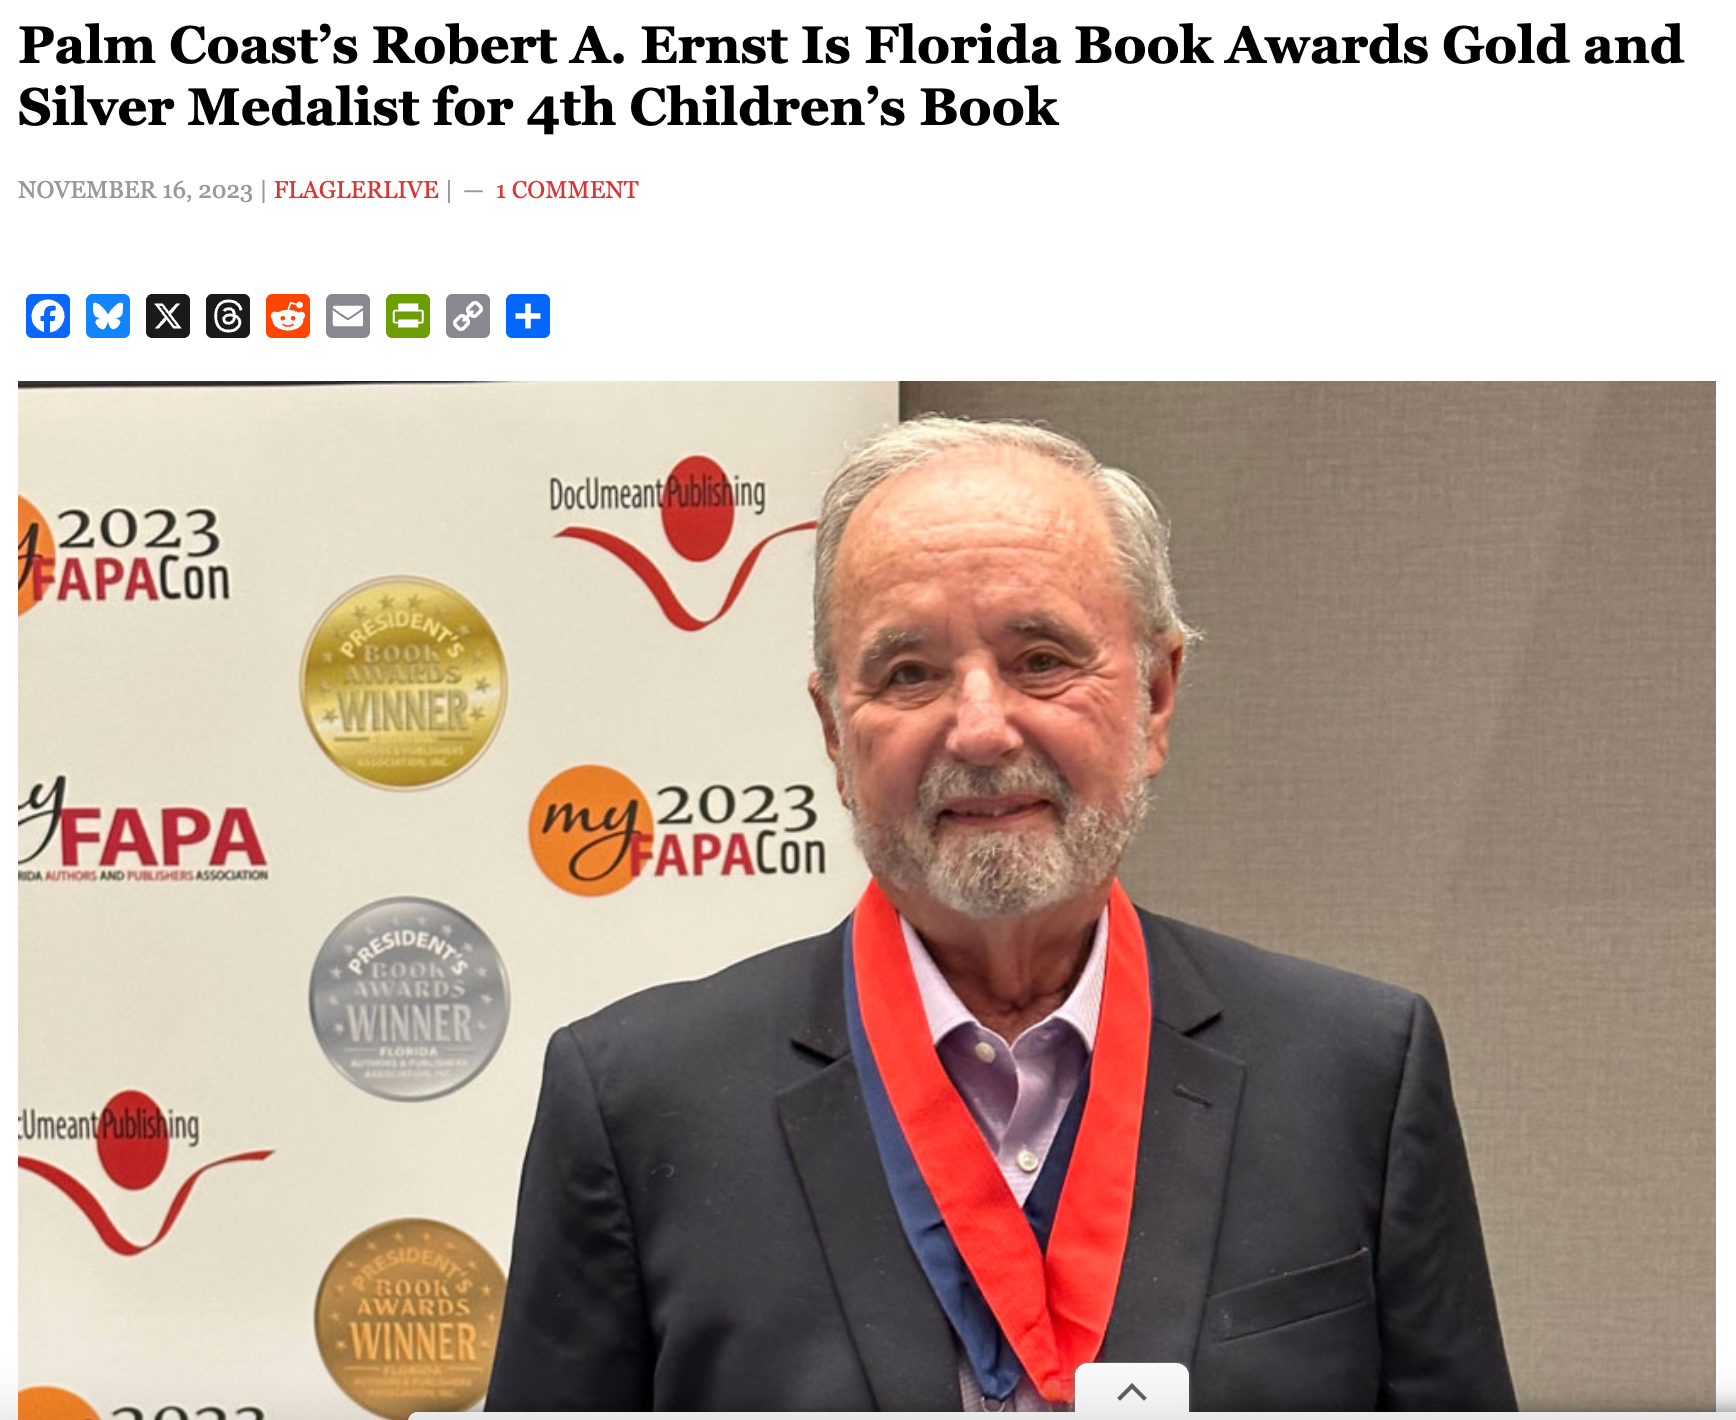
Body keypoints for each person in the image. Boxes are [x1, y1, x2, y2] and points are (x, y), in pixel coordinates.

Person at [487, 417, 1515, 1411]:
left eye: (1039, 659)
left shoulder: (1355, 1077)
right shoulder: (634, 1105)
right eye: (908, 672)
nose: (978, 729)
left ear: (1156, 696)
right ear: (834, 734)